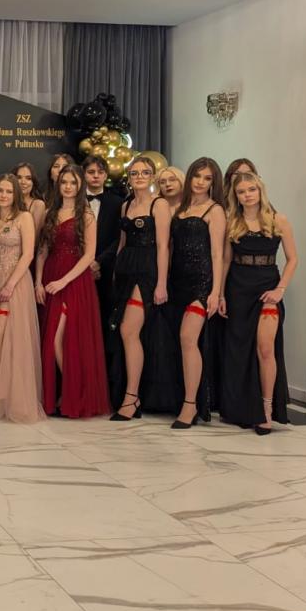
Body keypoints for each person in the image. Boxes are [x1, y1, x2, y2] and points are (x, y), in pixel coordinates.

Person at [218, 173, 298, 435]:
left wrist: (280, 289)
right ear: (236, 196)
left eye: (252, 189)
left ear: (260, 190)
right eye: (242, 191)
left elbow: (293, 259)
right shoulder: (232, 221)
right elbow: (226, 261)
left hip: (267, 290)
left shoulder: (278, 219)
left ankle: (266, 409)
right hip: (238, 289)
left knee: (265, 349)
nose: (248, 195)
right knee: (239, 351)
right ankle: (241, 409)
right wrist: (221, 295)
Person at [35, 164, 108, 418]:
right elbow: (42, 250)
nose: (68, 187)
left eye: (73, 183)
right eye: (64, 182)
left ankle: (76, 393)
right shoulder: (50, 212)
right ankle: (65, 393)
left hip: (74, 281)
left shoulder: (86, 215)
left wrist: (64, 282)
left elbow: (89, 255)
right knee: (51, 339)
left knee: (57, 339)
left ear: (80, 186)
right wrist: (38, 281)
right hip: (50, 277)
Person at [109, 156, 173, 420]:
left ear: (152, 176)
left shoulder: (160, 204)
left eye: (144, 172)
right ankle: (129, 394)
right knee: (124, 332)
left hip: (147, 271)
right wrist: (115, 272)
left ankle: (131, 397)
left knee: (129, 331)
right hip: (125, 269)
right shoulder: (126, 205)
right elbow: (122, 242)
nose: (139, 177)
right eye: (134, 173)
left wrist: (161, 283)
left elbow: (163, 246)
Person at [168, 157, 226, 429]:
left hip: (201, 283)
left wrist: (216, 292)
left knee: (188, 339)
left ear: (214, 183)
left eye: (207, 178)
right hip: (177, 282)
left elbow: (217, 254)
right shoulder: (180, 208)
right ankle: (183, 398)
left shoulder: (215, 210)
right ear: (189, 177)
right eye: (197, 176)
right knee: (179, 343)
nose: (201, 182)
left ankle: (190, 405)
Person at [0, 175, 45, 423]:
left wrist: (10, 284)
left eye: (9, 191)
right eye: (0, 191)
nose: (4, 195)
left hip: (14, 284)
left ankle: (6, 400)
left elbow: (28, 254)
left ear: (16, 194)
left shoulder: (24, 217)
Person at [84, 155, 124, 335]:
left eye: (100, 172)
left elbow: (119, 237)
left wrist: (99, 262)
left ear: (106, 175)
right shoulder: (74, 201)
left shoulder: (117, 202)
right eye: (91, 172)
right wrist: (85, 263)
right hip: (77, 267)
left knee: (104, 316)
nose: (95, 176)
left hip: (106, 269)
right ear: (84, 174)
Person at [13, 161, 47, 236]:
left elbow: (34, 237)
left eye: (28, 178)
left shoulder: (38, 205)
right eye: (19, 177)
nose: (23, 182)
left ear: (33, 182)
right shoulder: (6, 202)